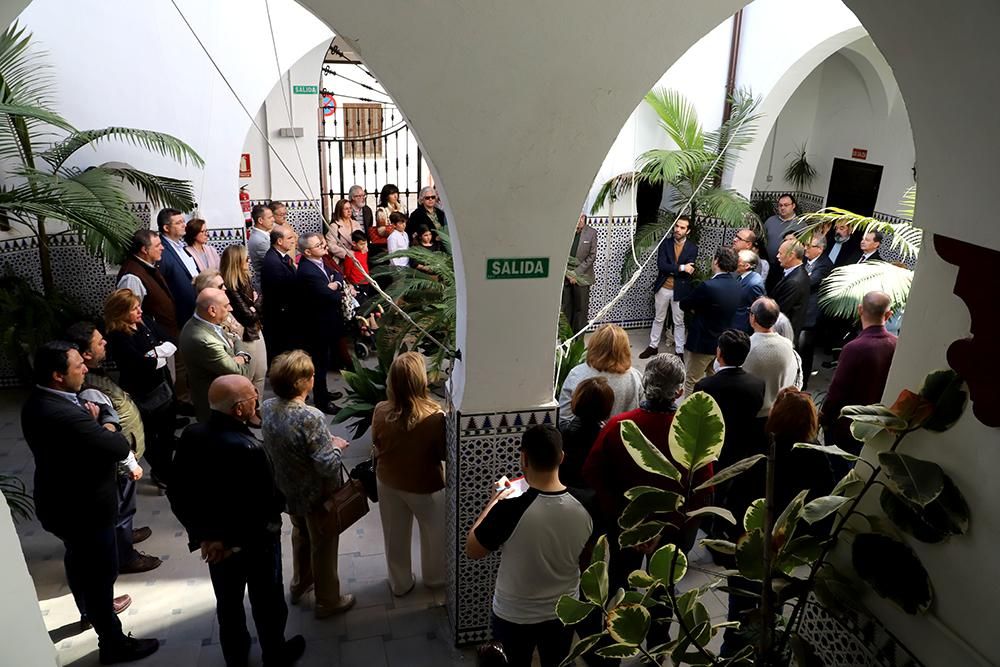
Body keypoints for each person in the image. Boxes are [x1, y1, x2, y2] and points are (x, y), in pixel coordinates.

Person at [22, 342, 159, 664]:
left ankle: (88, 611)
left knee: (79, 561)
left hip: (62, 503)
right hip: (83, 509)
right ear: (57, 376)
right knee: (100, 575)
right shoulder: (62, 413)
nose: (85, 368)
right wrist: (105, 423)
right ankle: (111, 642)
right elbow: (115, 443)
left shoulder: (38, 402)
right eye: (76, 366)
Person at [169, 375, 305, 667]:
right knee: (268, 603)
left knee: (228, 605)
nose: (257, 396)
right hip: (254, 544)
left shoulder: (192, 435)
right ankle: (275, 653)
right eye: (251, 395)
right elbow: (265, 505)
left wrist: (206, 537)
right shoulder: (249, 449)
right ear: (239, 409)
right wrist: (229, 542)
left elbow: (179, 494)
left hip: (216, 547)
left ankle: (236, 656)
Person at [582, 354, 710, 661]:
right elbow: (704, 491)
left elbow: (593, 474)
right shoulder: (693, 434)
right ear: (679, 391)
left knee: (614, 584)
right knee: (664, 591)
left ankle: (608, 643)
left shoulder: (620, 426)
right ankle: (658, 648)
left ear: (645, 386)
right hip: (672, 533)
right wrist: (667, 527)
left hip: (623, 527)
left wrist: (630, 525)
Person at [466, 425, 595, 667]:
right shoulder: (587, 503)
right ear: (561, 457)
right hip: (564, 609)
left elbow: (473, 549)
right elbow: (588, 555)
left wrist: (495, 502)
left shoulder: (509, 509)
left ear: (523, 458)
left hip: (514, 613)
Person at [261, 351, 356, 618]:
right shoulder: (310, 416)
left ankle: (300, 583)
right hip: (317, 495)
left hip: (287, 490)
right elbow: (326, 464)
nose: (315, 377)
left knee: (300, 534)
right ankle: (328, 600)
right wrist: (336, 446)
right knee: (324, 545)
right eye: (312, 375)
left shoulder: (267, 406)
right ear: (301, 382)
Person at [65, 322, 162, 575]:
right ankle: (125, 556)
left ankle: (125, 535)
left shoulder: (98, 375)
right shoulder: (89, 390)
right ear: (86, 354)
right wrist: (127, 462)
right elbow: (105, 434)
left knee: (124, 507)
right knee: (120, 508)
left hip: (125, 454)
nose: (105, 342)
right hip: (118, 463)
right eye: (99, 342)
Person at [372, 352, 447, 596]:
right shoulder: (436, 417)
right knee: (434, 534)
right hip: (425, 486)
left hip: (389, 482)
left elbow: (376, 443)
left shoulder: (381, 411)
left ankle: (400, 582)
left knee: (395, 535)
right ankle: (435, 579)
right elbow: (443, 453)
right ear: (420, 381)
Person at [693, 330, 765, 542]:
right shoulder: (757, 384)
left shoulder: (706, 386)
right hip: (742, 446)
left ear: (719, 353)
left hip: (714, 449)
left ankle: (707, 522)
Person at [104, 288, 177, 488]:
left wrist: (155, 354)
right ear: (121, 312)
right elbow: (138, 363)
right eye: (134, 309)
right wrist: (156, 356)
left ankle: (168, 465)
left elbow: (169, 339)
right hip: (143, 390)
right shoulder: (119, 336)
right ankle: (161, 471)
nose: (140, 312)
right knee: (152, 433)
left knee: (168, 428)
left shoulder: (144, 323)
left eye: (139, 307)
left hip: (163, 384)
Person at [820, 291, 897, 462]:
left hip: (849, 427)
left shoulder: (854, 348)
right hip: (879, 425)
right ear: (889, 314)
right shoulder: (896, 344)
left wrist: (824, 418)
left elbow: (837, 392)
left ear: (860, 309)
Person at [179, 288, 253, 423]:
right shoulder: (202, 339)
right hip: (218, 409)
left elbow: (236, 339)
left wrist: (239, 355)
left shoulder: (207, 322)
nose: (230, 308)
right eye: (226, 306)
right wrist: (244, 358)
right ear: (212, 310)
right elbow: (239, 373)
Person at [679, 247, 741, 395]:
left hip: (702, 342)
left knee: (692, 381)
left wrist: (697, 310)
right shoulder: (737, 284)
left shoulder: (708, 286)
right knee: (713, 378)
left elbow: (685, 304)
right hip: (722, 342)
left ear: (716, 261)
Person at [295, 232, 346, 414]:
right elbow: (327, 296)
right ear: (308, 252)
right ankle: (322, 401)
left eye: (323, 243)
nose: (324, 246)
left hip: (327, 322)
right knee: (319, 363)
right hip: (317, 326)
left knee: (324, 361)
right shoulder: (307, 270)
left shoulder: (320, 262)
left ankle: (323, 391)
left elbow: (337, 275)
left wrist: (336, 285)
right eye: (319, 245)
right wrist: (336, 291)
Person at [558, 324, 642, 425]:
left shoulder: (577, 374)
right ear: (625, 348)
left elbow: (564, 419)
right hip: (622, 439)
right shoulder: (635, 377)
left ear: (593, 346)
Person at [639, 215, 698, 359]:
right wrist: (681, 268)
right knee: (659, 318)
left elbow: (689, 271)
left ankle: (679, 351)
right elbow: (662, 266)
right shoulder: (665, 244)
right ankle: (653, 346)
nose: (678, 230)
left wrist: (674, 269)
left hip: (680, 290)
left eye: (682, 227)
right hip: (663, 287)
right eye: (677, 226)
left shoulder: (692, 248)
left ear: (688, 231)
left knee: (679, 321)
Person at [220, 244, 267, 401]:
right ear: (237, 262)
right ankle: (249, 410)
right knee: (249, 376)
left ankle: (256, 407)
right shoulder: (230, 287)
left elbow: (261, 300)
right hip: (244, 335)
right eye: (246, 259)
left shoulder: (246, 279)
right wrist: (255, 305)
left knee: (261, 371)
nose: (249, 262)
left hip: (256, 329)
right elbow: (248, 316)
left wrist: (255, 304)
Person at [742, 298, 802, 418]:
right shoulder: (789, 347)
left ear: (753, 318)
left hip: (752, 415)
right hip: (779, 412)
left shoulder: (745, 348)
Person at [116, 229, 179, 341]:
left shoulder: (148, 267)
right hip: (154, 340)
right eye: (157, 245)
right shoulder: (132, 277)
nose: (162, 248)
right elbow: (130, 314)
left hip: (165, 335)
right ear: (144, 249)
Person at [558, 376, 614, 489]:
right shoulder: (606, 436)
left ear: (577, 401)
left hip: (570, 490)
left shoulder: (566, 433)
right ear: (607, 406)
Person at [800, 234, 834, 390]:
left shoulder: (825, 265)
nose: (805, 248)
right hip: (801, 311)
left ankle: (803, 382)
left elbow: (810, 282)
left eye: (809, 246)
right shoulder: (806, 261)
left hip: (811, 315)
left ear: (820, 248)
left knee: (805, 351)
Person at [261, 226, 299, 364]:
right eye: (289, 238)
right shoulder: (273, 262)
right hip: (280, 314)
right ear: (279, 241)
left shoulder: (282, 256)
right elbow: (282, 290)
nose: (293, 240)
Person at [156, 207, 199, 327]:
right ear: (166, 228)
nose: (184, 225)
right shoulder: (162, 251)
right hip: (181, 314)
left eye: (183, 221)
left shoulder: (181, 246)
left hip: (195, 309)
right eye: (178, 223)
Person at [562, 213, 597, 335]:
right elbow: (560, 254)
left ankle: (578, 340)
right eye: (578, 216)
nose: (581, 220)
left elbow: (592, 256)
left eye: (583, 217)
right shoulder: (565, 231)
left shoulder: (592, 233)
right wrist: (568, 274)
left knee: (580, 311)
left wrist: (575, 274)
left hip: (582, 278)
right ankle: (565, 340)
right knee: (566, 310)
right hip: (565, 278)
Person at [770, 238, 811, 340]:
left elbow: (780, 309)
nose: (777, 256)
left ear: (791, 255)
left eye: (780, 253)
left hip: (783, 335)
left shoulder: (795, 281)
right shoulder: (794, 274)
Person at [763, 194, 804, 292]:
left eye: (786, 205)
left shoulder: (801, 224)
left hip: (787, 267)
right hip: (769, 265)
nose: (782, 208)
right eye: (780, 205)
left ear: (793, 206)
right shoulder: (770, 221)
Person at [732, 249, 766, 332]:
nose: (734, 262)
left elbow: (757, 309)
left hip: (742, 327)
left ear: (746, 266)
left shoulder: (754, 284)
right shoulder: (741, 277)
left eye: (737, 260)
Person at [247, 204, 276, 293]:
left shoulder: (264, 234)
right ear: (260, 220)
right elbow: (275, 263)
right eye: (270, 217)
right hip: (267, 285)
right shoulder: (260, 240)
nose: (273, 220)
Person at [371, 184, 405, 258]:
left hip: (402, 241)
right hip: (388, 243)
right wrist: (395, 230)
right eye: (392, 194)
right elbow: (381, 230)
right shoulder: (382, 211)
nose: (395, 196)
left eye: (396, 193)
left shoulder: (402, 208)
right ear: (386, 196)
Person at [326, 199, 359, 265]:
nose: (349, 211)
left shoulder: (356, 223)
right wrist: (347, 253)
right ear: (340, 211)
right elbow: (330, 245)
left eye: (350, 208)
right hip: (342, 260)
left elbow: (362, 240)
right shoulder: (334, 226)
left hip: (356, 258)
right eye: (346, 209)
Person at [343, 230, 373, 296]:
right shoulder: (350, 256)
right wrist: (350, 284)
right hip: (356, 283)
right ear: (354, 243)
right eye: (361, 244)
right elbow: (347, 272)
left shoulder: (364, 252)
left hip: (366, 281)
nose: (364, 246)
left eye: (365, 243)